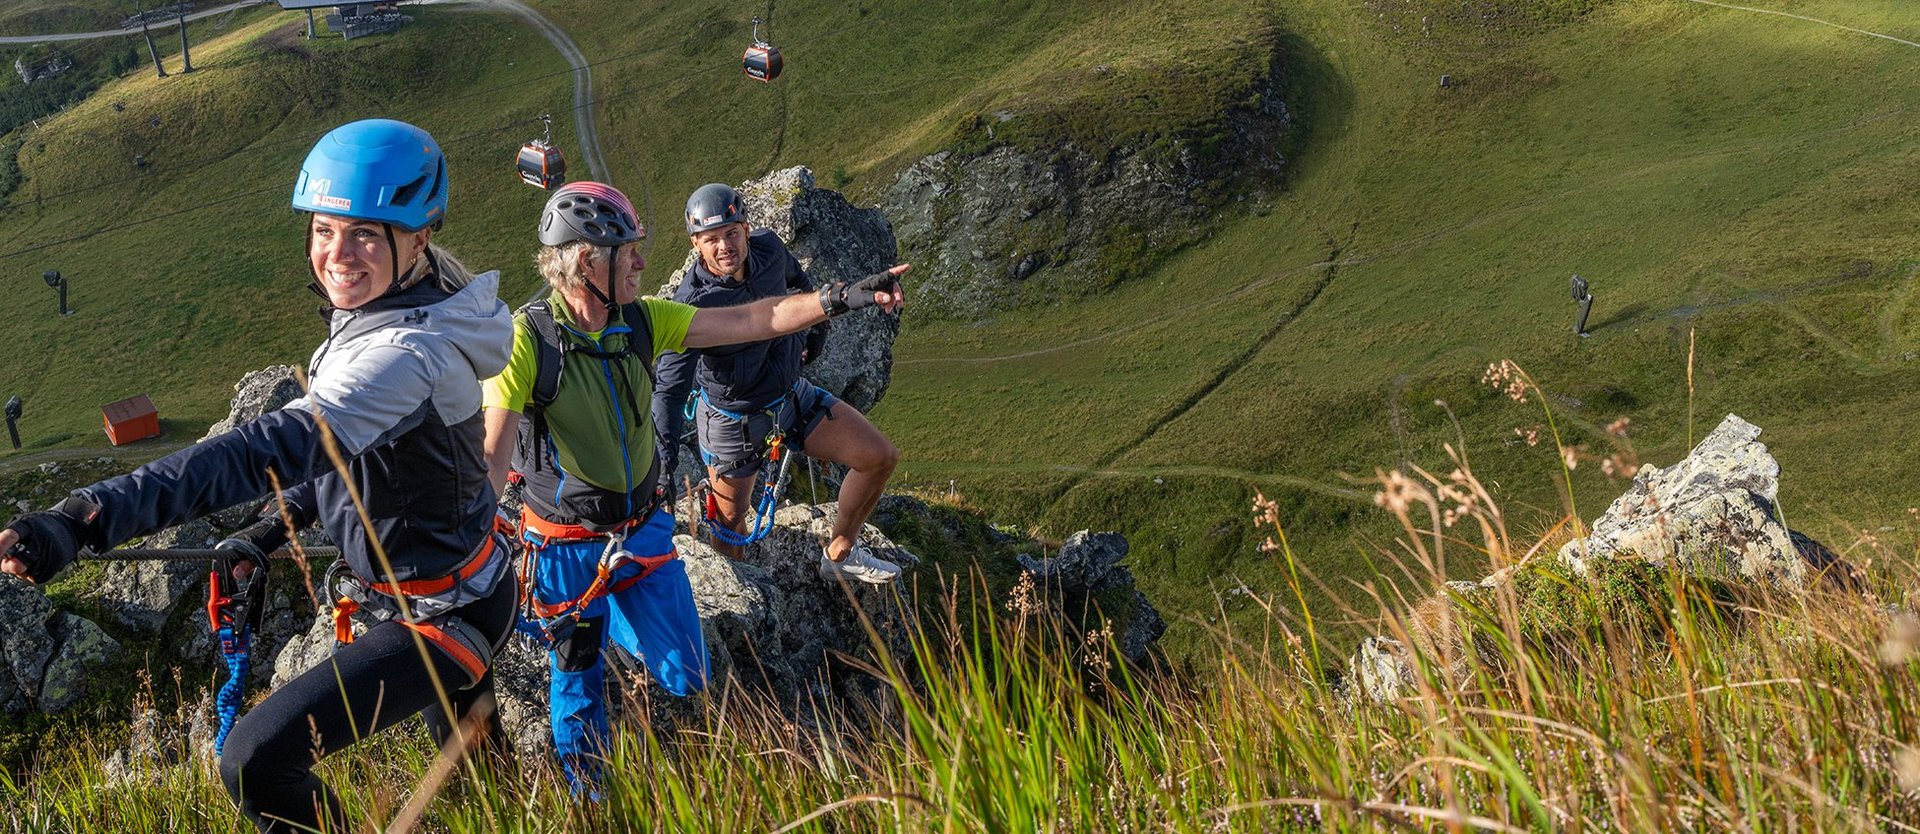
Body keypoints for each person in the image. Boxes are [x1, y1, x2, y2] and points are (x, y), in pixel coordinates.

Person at [0, 118, 515, 834]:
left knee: (254, 762)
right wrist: (269, 529)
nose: (338, 255)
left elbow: (265, 449)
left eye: (366, 233)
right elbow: (348, 459)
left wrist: (87, 517)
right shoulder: (392, 311)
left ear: (419, 238)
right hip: (460, 590)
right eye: (325, 231)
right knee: (482, 782)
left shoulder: (405, 351)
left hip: (439, 615)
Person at [481, 181, 906, 793]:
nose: (642, 262)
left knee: (688, 675)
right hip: (564, 547)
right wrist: (469, 531)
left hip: (643, 529)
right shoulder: (530, 340)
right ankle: (590, 800)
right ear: (586, 261)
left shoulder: (645, 320)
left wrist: (843, 298)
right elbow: (494, 449)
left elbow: (753, 318)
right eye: (627, 251)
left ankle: (607, 630)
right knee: (576, 684)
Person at [653, 183, 906, 582]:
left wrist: (813, 336)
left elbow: (798, 284)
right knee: (730, 527)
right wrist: (664, 463)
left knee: (878, 457)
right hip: (732, 425)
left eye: (732, 234)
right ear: (695, 244)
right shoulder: (691, 306)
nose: (725, 247)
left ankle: (840, 555)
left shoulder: (768, 249)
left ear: (747, 228)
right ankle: (741, 601)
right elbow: (668, 390)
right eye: (712, 240)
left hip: (790, 397)